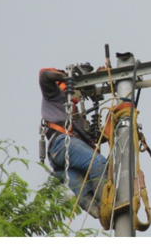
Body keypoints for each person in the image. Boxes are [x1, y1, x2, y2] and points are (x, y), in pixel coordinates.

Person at [39, 67, 107, 219]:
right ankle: (108, 204)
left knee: (84, 189)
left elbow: (97, 138)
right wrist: (65, 76)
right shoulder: (55, 96)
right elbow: (44, 75)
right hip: (62, 144)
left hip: (60, 161)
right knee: (99, 164)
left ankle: (99, 212)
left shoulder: (76, 118)